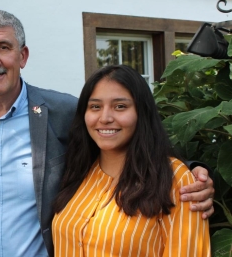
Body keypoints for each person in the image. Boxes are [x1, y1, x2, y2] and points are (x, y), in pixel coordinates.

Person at [0, 10, 214, 257]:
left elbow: (119, 140)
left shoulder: (64, 111)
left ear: (22, 56)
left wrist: (190, 172)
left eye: (4, 47)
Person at [52, 65, 210, 256]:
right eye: (95, 107)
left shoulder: (174, 179)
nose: (105, 118)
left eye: (120, 106)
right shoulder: (78, 171)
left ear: (141, 113)